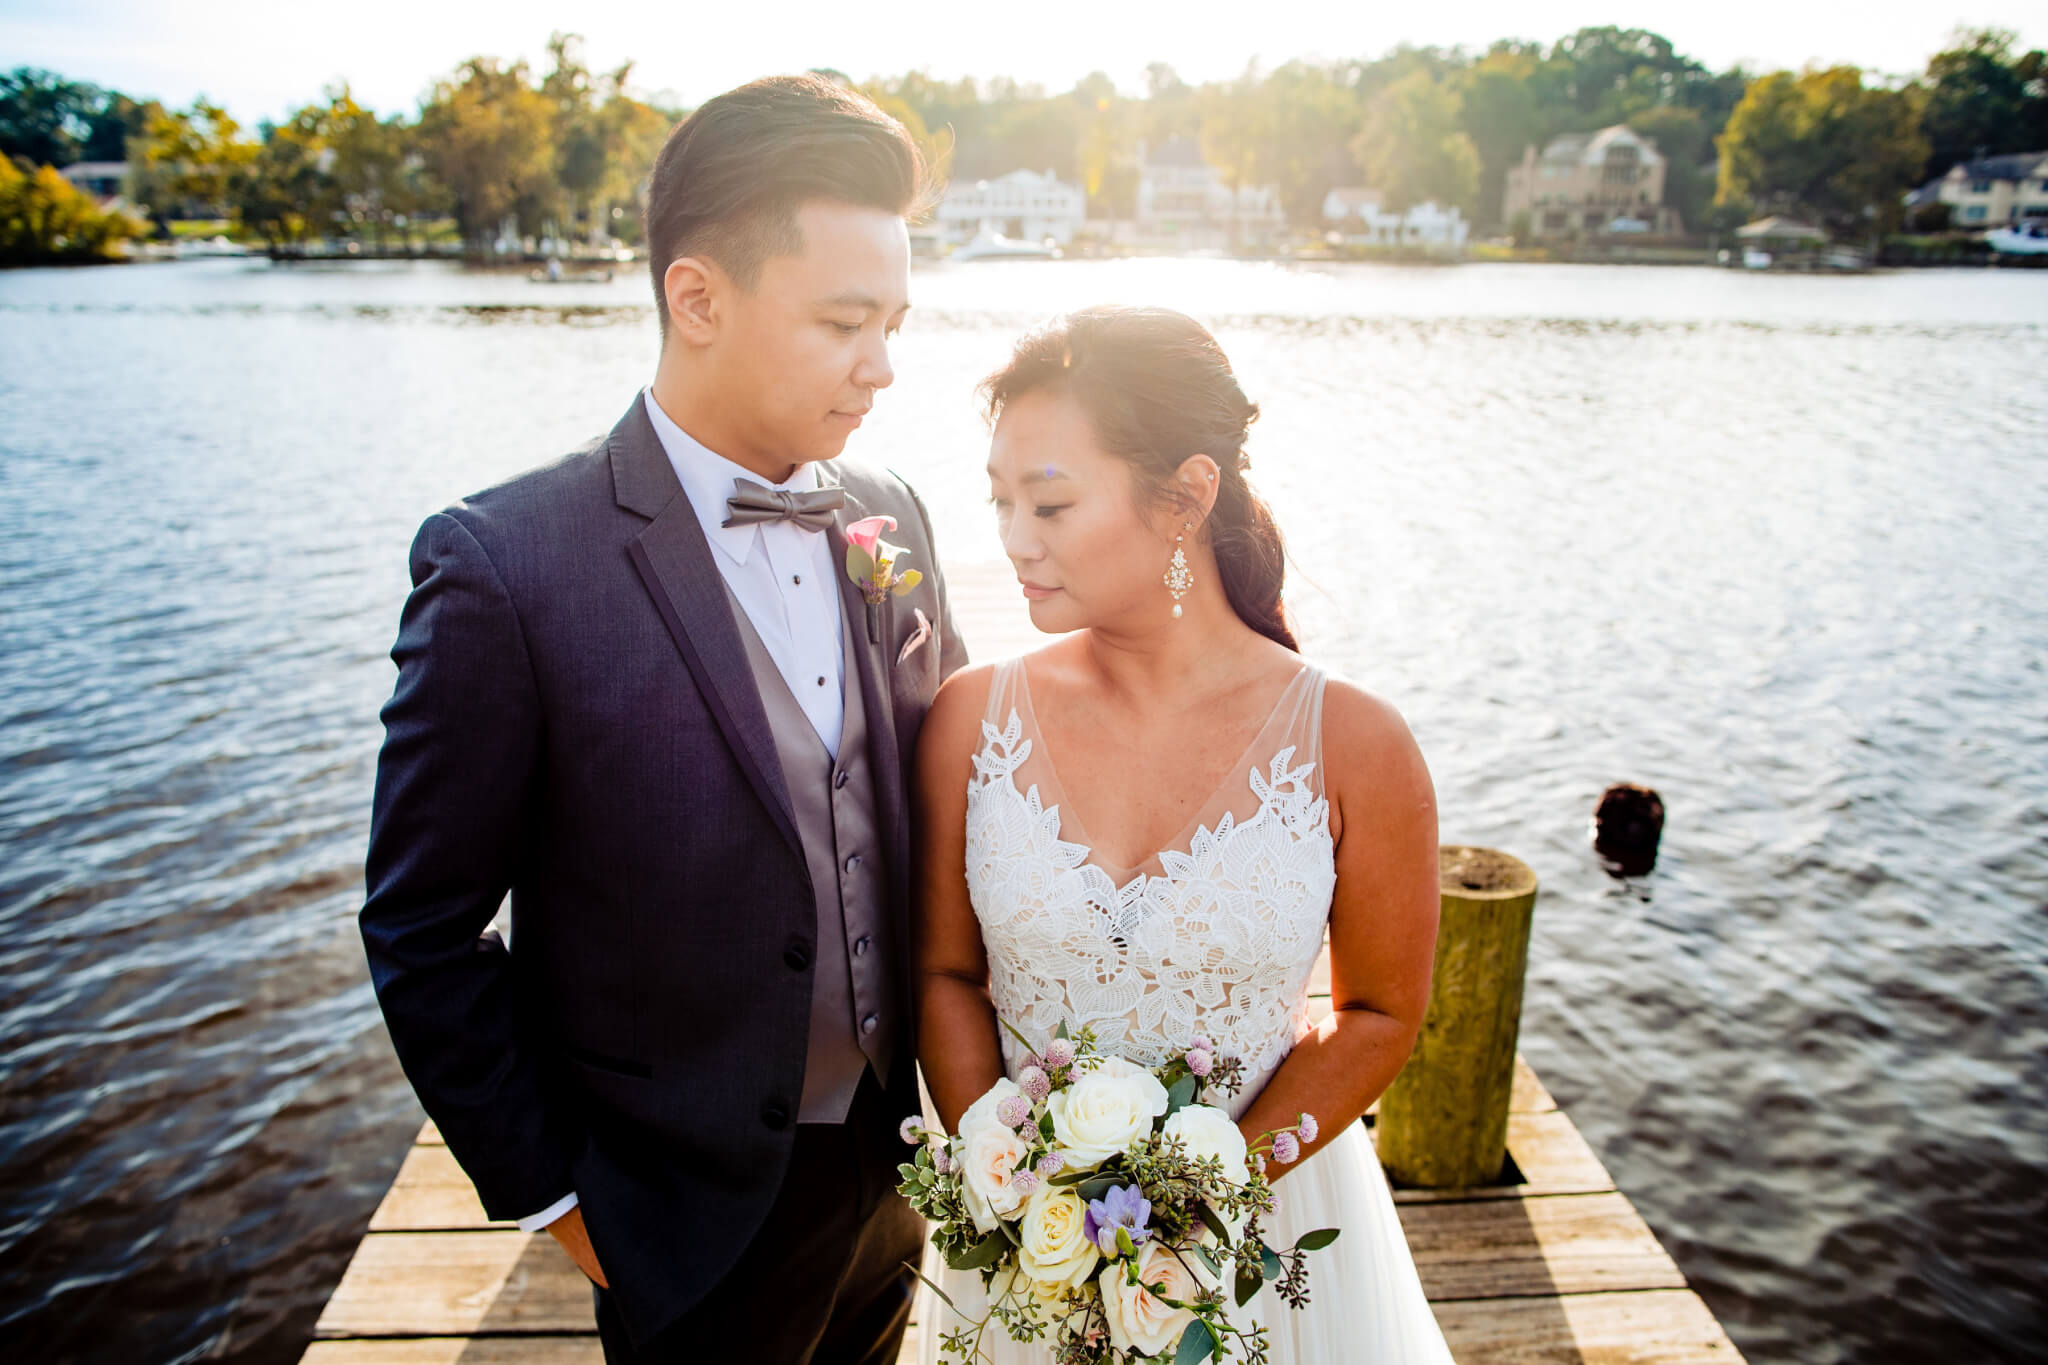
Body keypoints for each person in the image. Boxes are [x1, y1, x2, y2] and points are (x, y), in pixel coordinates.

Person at [360, 74, 966, 1364]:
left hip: (895, 1170)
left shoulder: (891, 513)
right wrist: (567, 1204)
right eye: (846, 321)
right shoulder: (504, 564)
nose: (884, 365)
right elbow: (422, 931)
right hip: (681, 1217)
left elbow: (949, 794)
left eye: (895, 320)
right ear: (697, 298)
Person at [912, 306, 1454, 1361]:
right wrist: (1009, 1182)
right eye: (1001, 500)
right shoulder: (969, 719)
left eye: (1052, 503)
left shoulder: (1353, 742)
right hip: (1029, 1253)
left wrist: (1203, 1204)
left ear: (1187, 495)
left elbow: (1381, 1010)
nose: (1014, 539)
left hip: (1262, 1236)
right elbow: (944, 972)